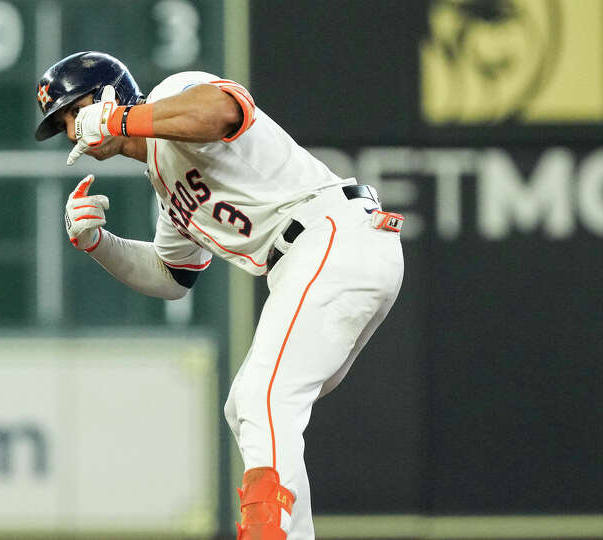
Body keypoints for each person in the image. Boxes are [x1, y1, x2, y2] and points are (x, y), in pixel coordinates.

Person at [34, 51, 404, 540]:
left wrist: (123, 117)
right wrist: (100, 245)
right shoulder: (164, 186)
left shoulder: (172, 94)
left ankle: (266, 533)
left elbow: (224, 110)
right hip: (327, 257)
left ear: (111, 92)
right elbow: (171, 277)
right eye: (60, 121)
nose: (70, 126)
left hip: (333, 235)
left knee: (262, 397)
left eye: (74, 108)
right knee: (251, 408)